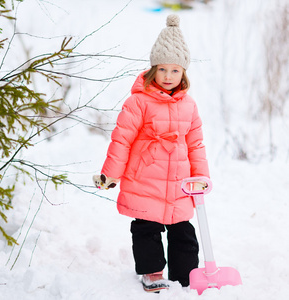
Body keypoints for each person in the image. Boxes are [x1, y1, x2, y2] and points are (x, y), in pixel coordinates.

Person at [93, 14, 209, 293]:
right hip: (145, 177)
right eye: (163, 70)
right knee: (147, 228)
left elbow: (196, 144)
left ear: (184, 74)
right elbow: (121, 139)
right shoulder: (138, 102)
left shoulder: (189, 106)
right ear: (152, 70)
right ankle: (152, 272)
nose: (168, 77)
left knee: (183, 231)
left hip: (179, 182)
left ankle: (185, 276)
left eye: (175, 71)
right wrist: (110, 174)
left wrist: (201, 176)